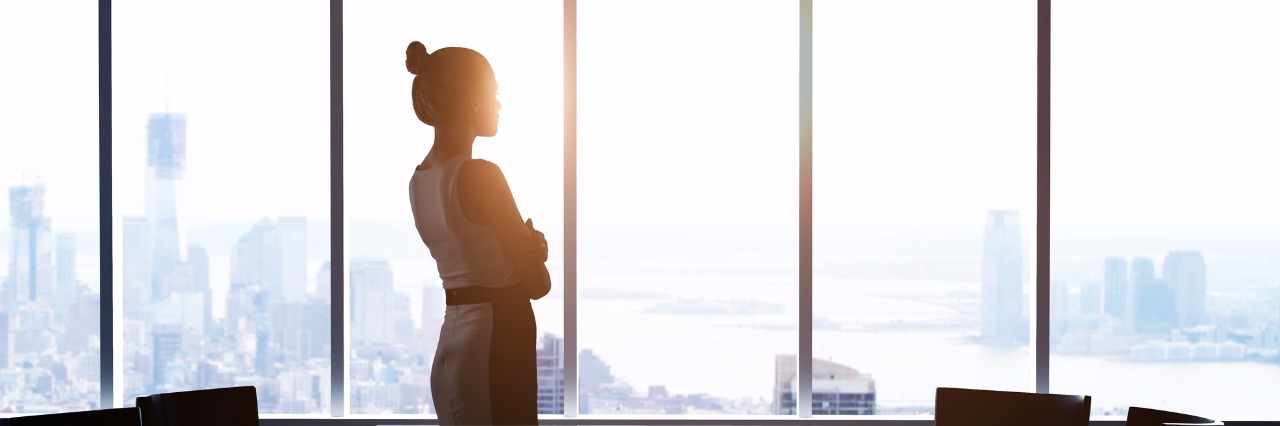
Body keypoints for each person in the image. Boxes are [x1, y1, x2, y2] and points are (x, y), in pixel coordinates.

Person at [405, 40, 551, 425]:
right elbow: (538, 284)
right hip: (498, 340)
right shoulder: (481, 175)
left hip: (454, 341)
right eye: (494, 93)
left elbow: (469, 254)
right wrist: (533, 251)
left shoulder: (418, 181)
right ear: (473, 100)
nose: (499, 105)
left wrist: (524, 249)